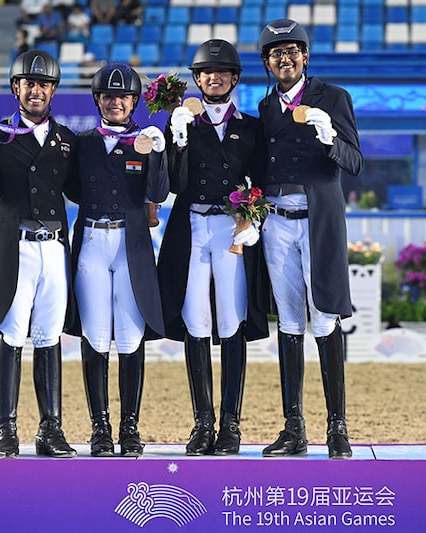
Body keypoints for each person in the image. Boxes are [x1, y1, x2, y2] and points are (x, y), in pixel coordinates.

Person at [0, 49, 80, 459]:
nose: (37, 91)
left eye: (44, 85)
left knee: (49, 339)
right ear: (16, 88)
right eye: (29, 84)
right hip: (18, 248)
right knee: (11, 336)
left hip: (55, 249)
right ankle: (5, 430)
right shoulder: (0, 136)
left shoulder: (66, 140)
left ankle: (50, 429)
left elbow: (83, 190)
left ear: (53, 91)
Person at [257, 19, 364, 459]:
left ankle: (337, 426)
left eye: (292, 51)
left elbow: (354, 162)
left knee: (324, 319)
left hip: (317, 218)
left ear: (305, 56)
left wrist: (330, 136)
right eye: (276, 53)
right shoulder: (265, 109)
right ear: (268, 62)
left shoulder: (334, 98)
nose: (285, 58)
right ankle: (293, 426)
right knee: (288, 320)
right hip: (277, 221)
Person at [158, 39, 270, 456]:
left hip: (231, 229)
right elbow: (173, 184)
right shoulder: (182, 122)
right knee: (195, 319)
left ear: (234, 79)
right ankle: (202, 421)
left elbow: (259, 181)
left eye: (222, 72)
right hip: (192, 227)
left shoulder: (251, 127)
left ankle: (232, 424)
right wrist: (180, 139)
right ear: (197, 79)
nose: (214, 77)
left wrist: (252, 219)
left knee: (231, 319)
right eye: (206, 72)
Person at [69, 62, 168, 457]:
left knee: (129, 337)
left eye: (123, 96)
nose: (116, 102)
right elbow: (72, 189)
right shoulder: (82, 143)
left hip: (131, 245)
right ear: (98, 100)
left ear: (134, 102)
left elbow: (158, 192)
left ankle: (129, 427)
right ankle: (99, 427)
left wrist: (159, 154)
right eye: (108, 96)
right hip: (93, 240)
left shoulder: (143, 142)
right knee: (95, 335)